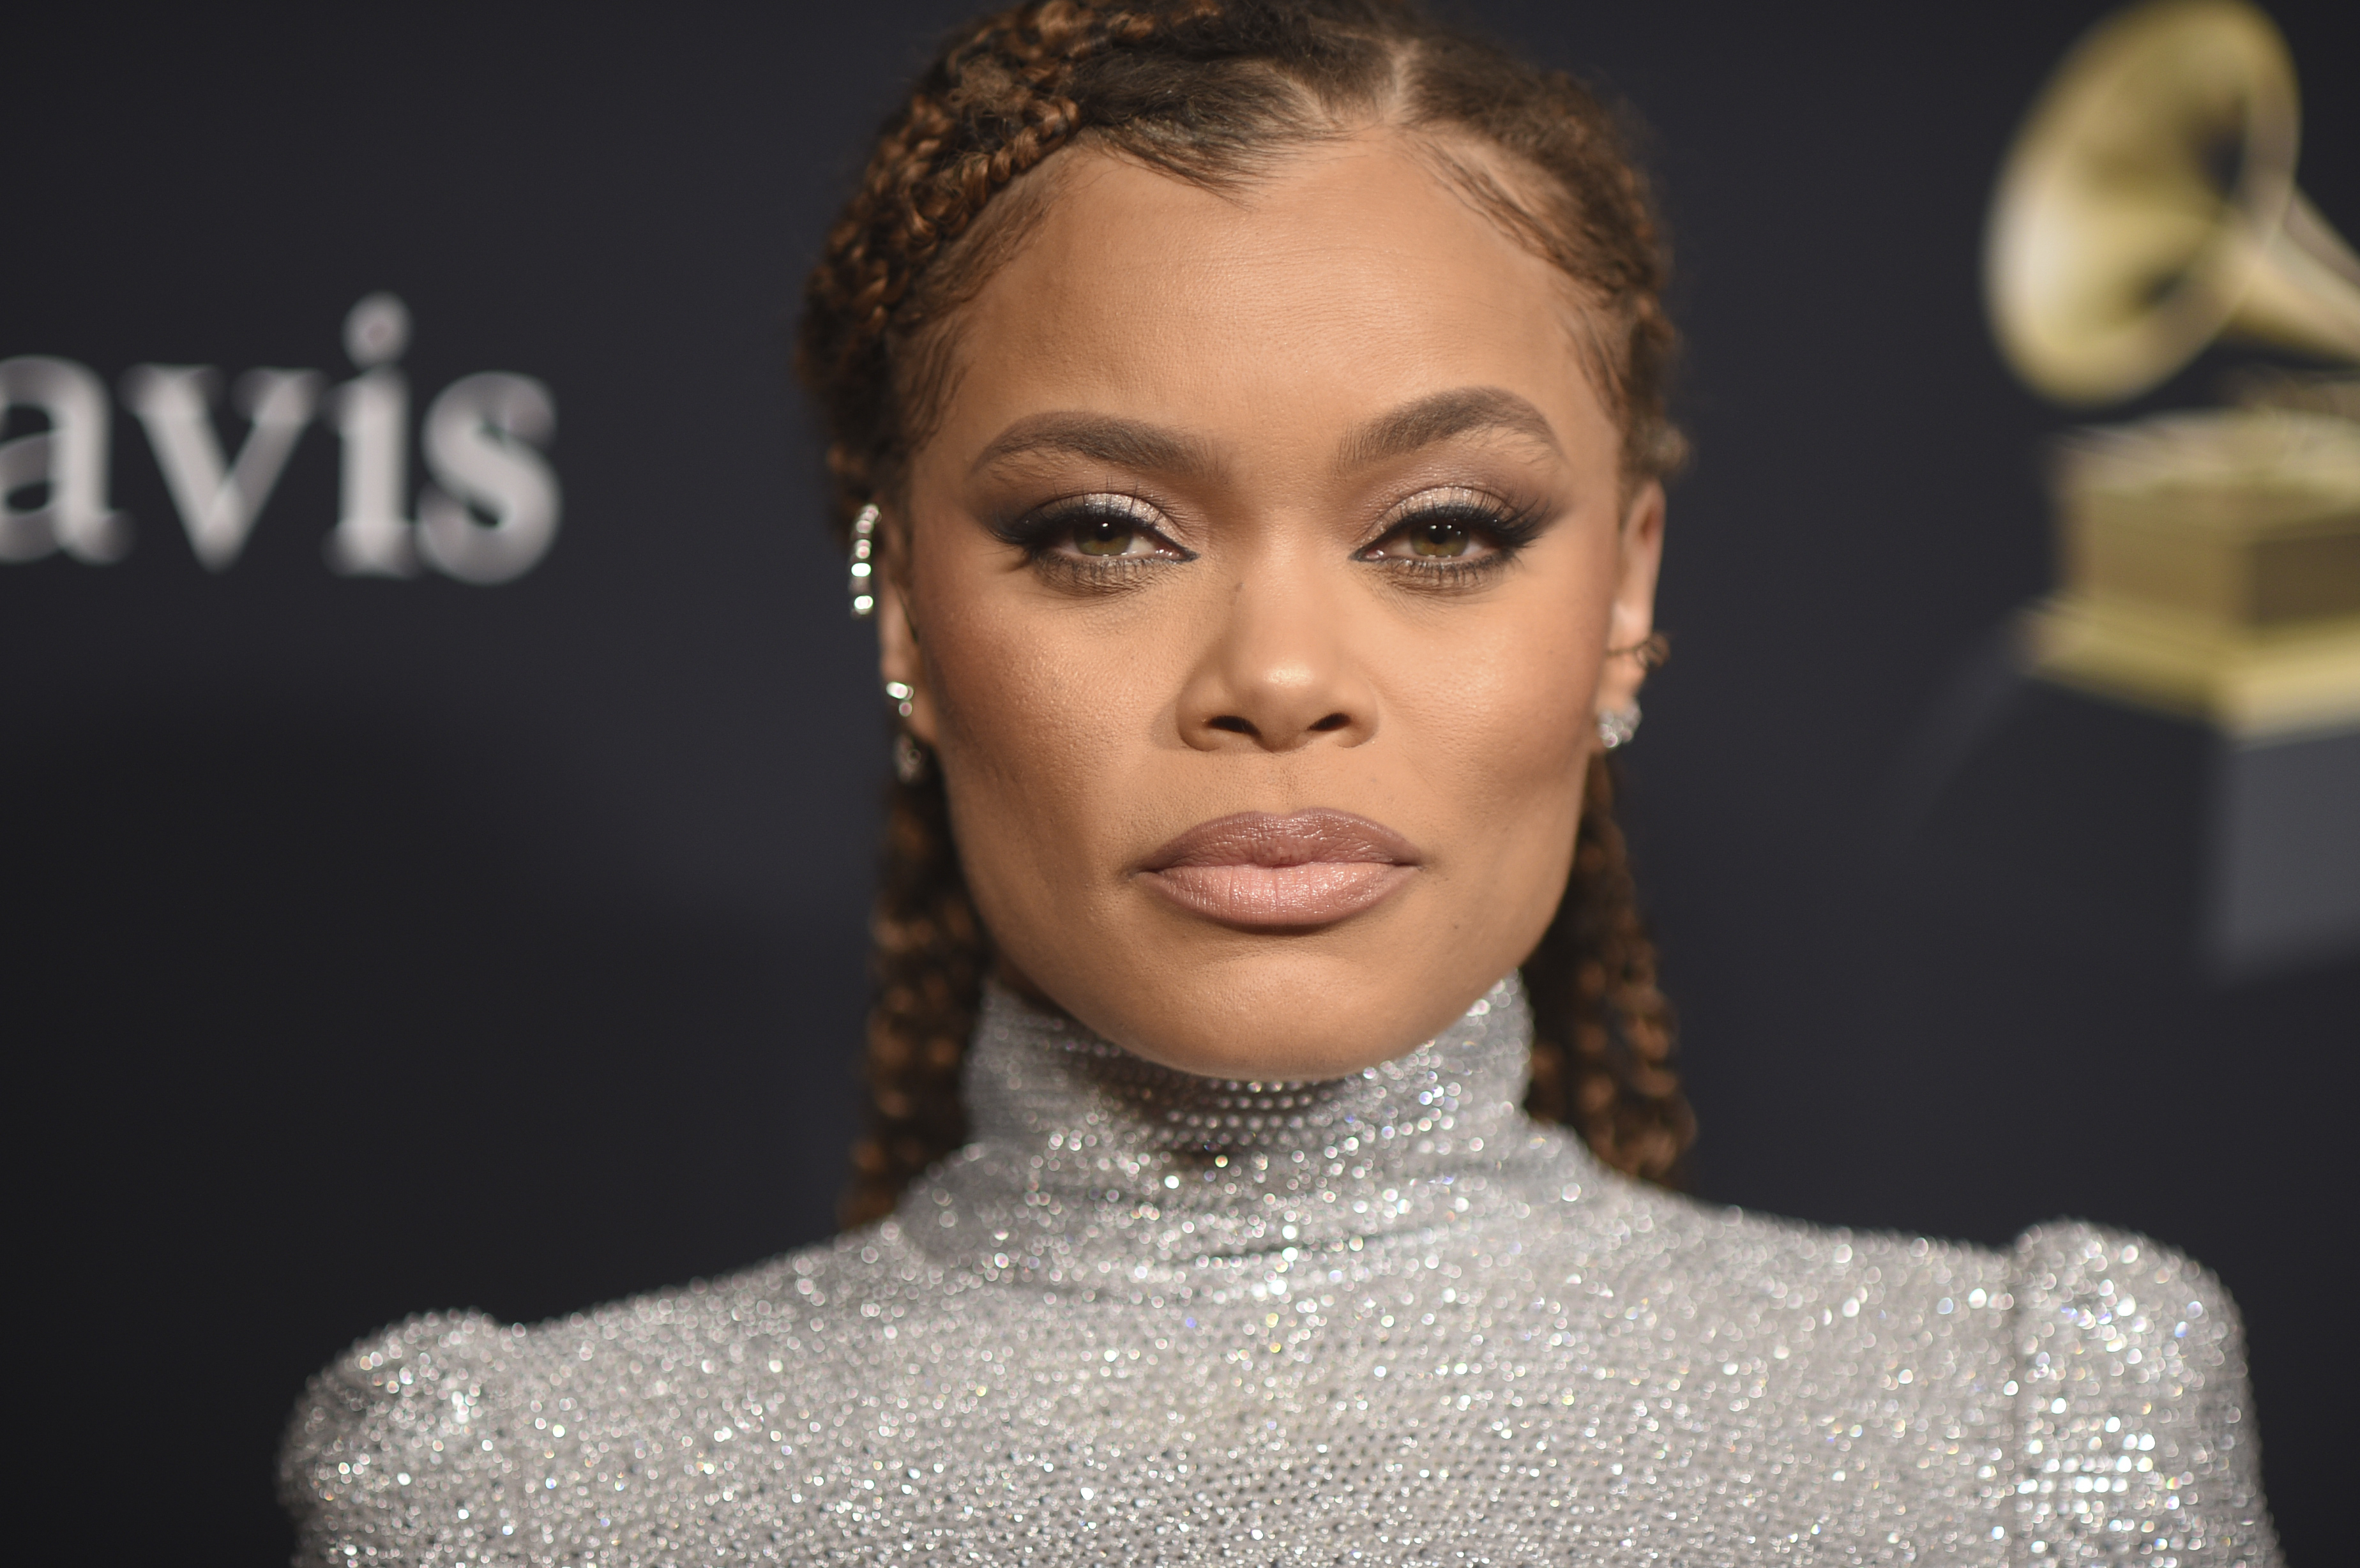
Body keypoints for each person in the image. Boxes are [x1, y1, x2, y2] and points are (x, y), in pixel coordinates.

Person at [281, 1, 2280, 1561]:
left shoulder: (2030, 1448)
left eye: (1444, 529)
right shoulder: (522, 1503)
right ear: (902, 607)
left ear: (1625, 596)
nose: (1281, 680)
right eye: (1100, 531)